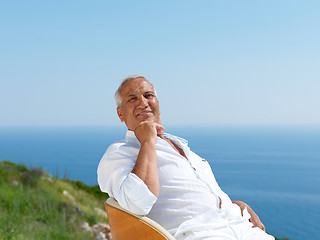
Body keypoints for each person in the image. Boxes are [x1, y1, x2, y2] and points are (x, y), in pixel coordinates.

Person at [97, 75, 275, 240]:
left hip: (237, 226)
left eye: (148, 95)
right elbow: (137, 203)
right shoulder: (119, 152)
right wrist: (147, 142)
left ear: (158, 103)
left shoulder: (183, 148)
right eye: (132, 98)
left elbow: (190, 197)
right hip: (200, 234)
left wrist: (235, 205)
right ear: (120, 114)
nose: (143, 102)